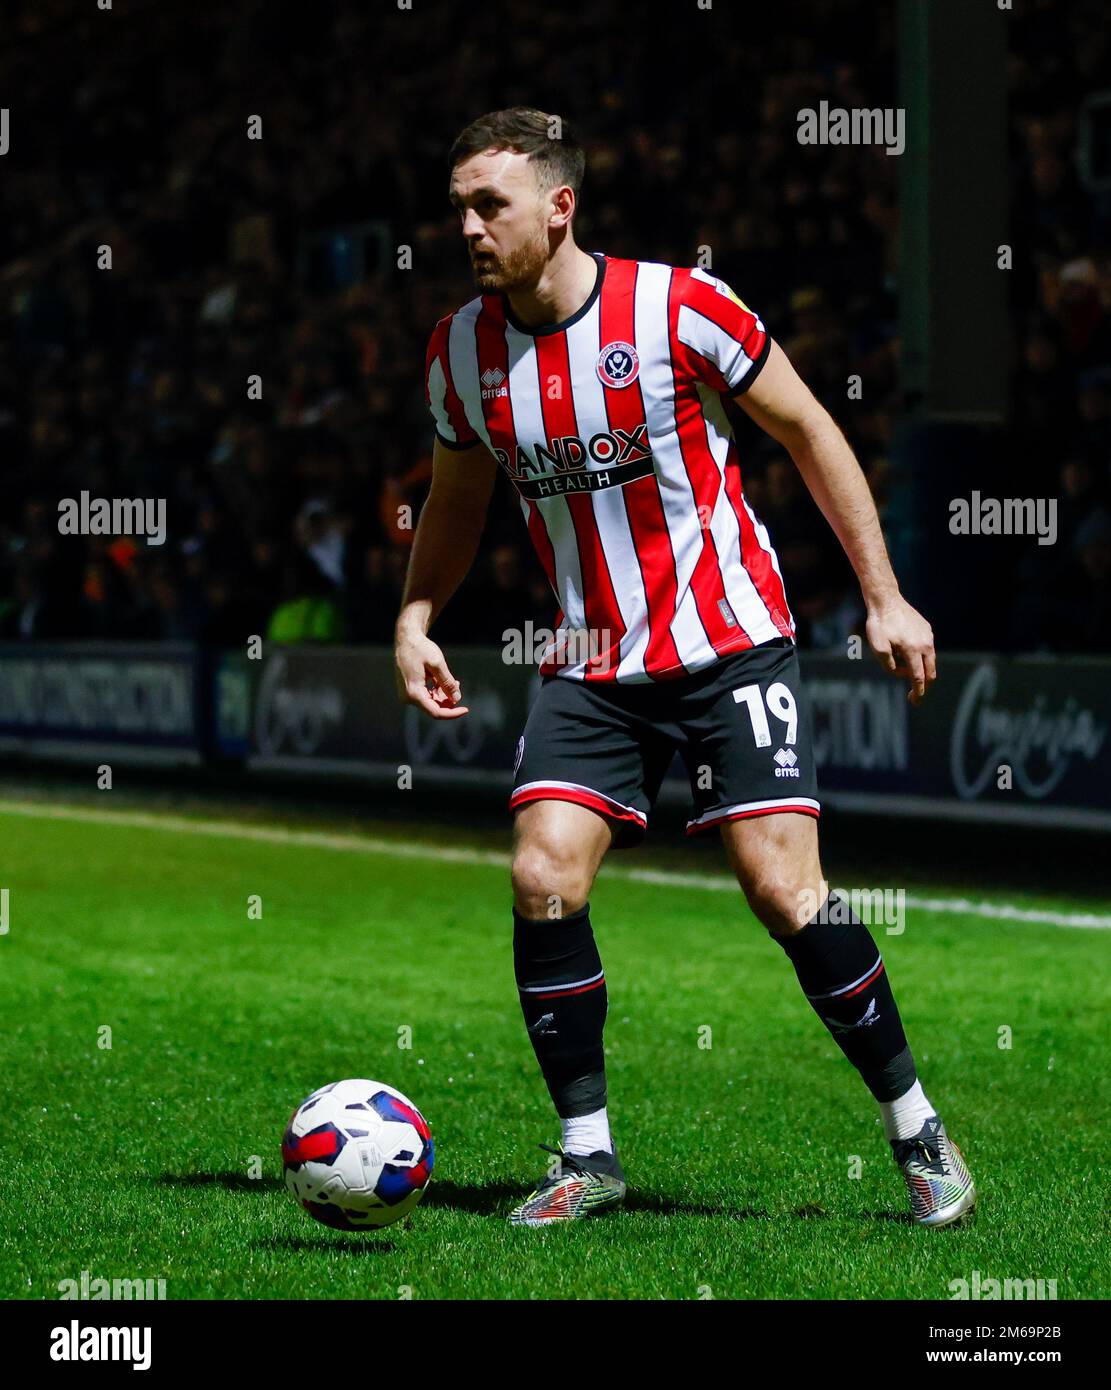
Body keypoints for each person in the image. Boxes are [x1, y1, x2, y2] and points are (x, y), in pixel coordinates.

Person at [394, 108, 975, 1229]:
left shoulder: (679, 307)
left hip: (726, 642)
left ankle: (915, 1127)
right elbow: (457, 497)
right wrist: (418, 612)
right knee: (541, 873)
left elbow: (809, 428)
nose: (466, 226)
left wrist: (884, 594)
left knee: (782, 889)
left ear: (559, 206)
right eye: (458, 205)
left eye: (489, 204)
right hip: (590, 657)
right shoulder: (458, 351)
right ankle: (585, 1157)